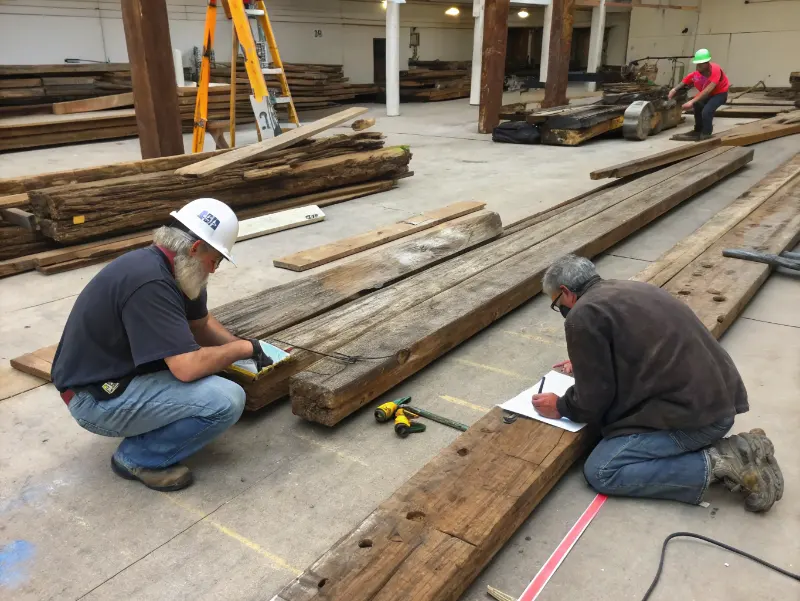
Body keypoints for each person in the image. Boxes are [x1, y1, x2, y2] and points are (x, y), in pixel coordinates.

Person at [531, 254, 783, 512]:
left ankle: (723, 461)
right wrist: (588, 358)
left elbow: (593, 401)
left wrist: (561, 406)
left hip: (700, 420)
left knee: (602, 470)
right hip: (721, 400)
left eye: (557, 304)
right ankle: (739, 452)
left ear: (566, 292)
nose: (561, 310)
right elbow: (635, 346)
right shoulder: (632, 288)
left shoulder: (583, 314)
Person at [52, 198, 273, 492]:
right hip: (92, 398)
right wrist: (241, 350)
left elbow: (201, 325)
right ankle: (138, 458)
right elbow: (185, 368)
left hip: (119, 375)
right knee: (226, 399)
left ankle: (146, 428)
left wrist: (249, 348)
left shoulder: (180, 269)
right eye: (215, 260)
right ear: (195, 249)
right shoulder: (150, 281)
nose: (215, 269)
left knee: (214, 371)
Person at [669, 48, 730, 140]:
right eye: (698, 63)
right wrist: (674, 89)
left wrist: (691, 102)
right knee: (697, 105)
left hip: (720, 94)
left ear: (707, 62)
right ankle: (698, 130)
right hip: (709, 94)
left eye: (701, 64)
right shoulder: (699, 73)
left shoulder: (715, 70)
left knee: (707, 111)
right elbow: (686, 80)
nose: (698, 66)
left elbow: (708, 90)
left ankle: (706, 133)